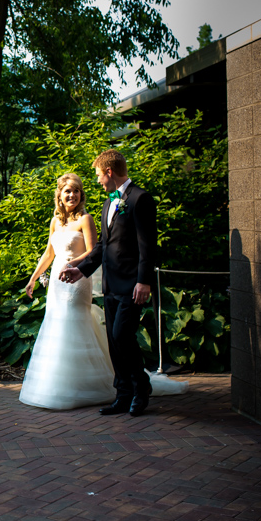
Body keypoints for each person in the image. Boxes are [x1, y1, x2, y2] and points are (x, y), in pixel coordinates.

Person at [60, 150, 163, 416]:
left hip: (132, 285)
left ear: (109, 172)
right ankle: (123, 394)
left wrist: (144, 281)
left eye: (97, 175)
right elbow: (103, 247)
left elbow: (147, 246)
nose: (96, 181)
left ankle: (141, 387)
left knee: (122, 336)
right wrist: (80, 270)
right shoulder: (109, 203)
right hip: (109, 285)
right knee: (114, 342)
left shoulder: (140, 199)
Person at [18, 173, 118, 411]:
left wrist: (73, 265)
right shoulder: (55, 222)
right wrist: (33, 279)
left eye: (76, 191)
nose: (72, 195)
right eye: (67, 192)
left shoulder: (86, 219)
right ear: (60, 196)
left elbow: (94, 252)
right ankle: (56, 386)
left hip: (77, 279)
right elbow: (48, 254)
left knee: (73, 323)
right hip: (56, 281)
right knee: (56, 324)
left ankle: (87, 386)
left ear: (81, 195)